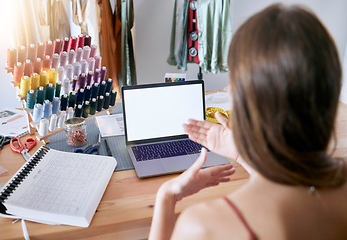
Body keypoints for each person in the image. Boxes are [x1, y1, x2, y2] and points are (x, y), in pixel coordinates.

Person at [149, 3, 347, 240]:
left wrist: (166, 197)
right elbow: (285, 192)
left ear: (244, 100)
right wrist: (243, 154)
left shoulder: (204, 226)